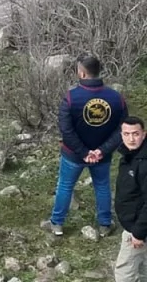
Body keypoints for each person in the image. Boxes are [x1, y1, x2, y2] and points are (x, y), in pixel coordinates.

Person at [43, 53, 128, 236]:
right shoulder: (116, 98)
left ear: (82, 74)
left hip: (73, 154)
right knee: (102, 186)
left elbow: (66, 130)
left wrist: (83, 152)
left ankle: (57, 224)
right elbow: (123, 129)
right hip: (102, 156)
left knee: (65, 186)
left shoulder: (71, 98)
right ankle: (105, 225)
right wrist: (101, 151)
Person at [115, 116, 147, 282]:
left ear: (144, 134)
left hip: (137, 230)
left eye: (135, 134)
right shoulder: (130, 155)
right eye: (126, 134)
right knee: (142, 272)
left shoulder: (143, 162)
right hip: (135, 225)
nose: (131, 139)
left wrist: (138, 232)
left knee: (124, 275)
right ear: (121, 135)